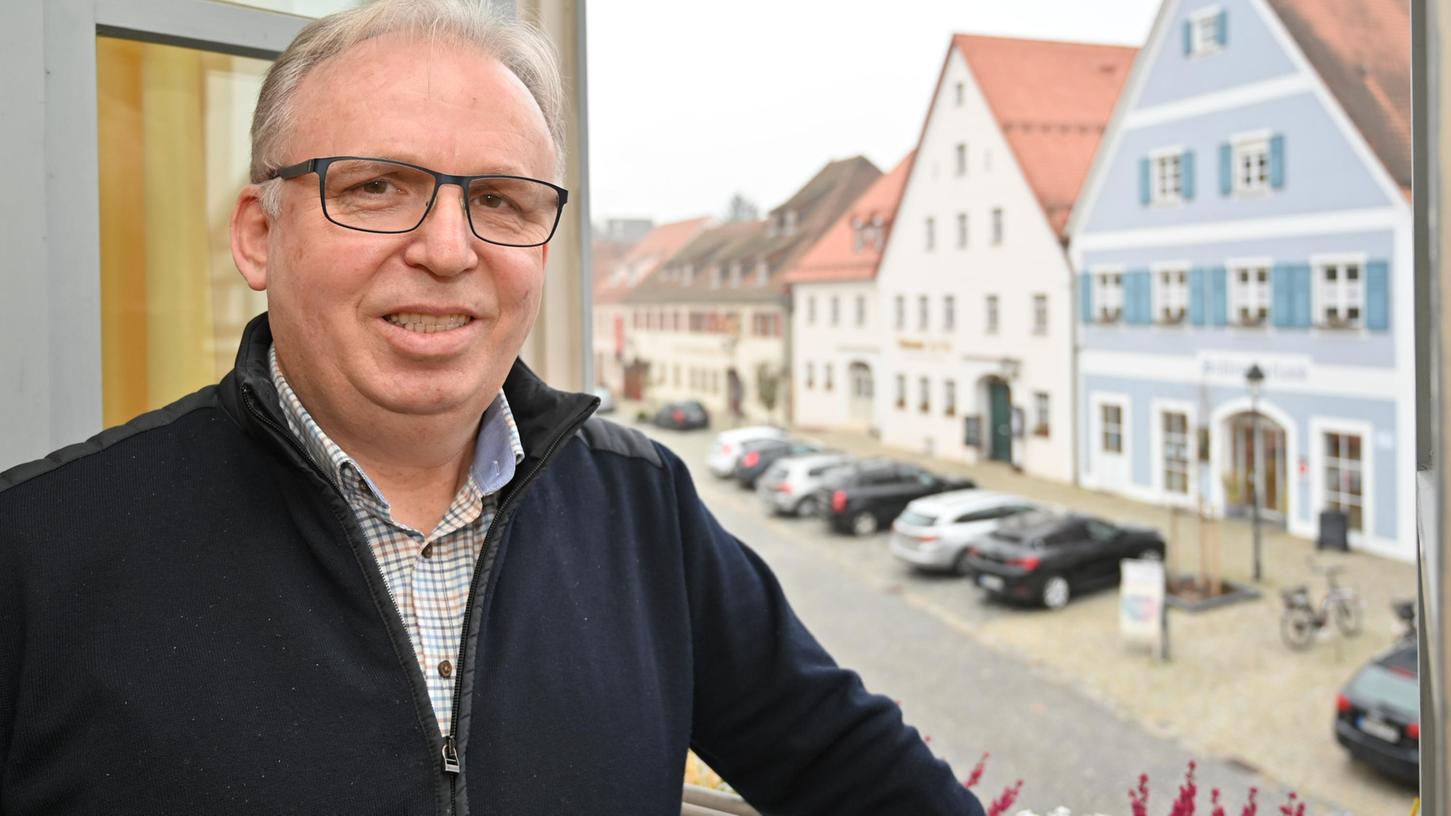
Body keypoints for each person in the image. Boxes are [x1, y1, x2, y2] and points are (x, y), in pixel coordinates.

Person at [0, 2, 984, 814]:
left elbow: (853, 769)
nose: (446, 248)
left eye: (503, 201)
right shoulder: (37, 557)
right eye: (377, 186)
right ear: (259, 234)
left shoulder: (641, 506)